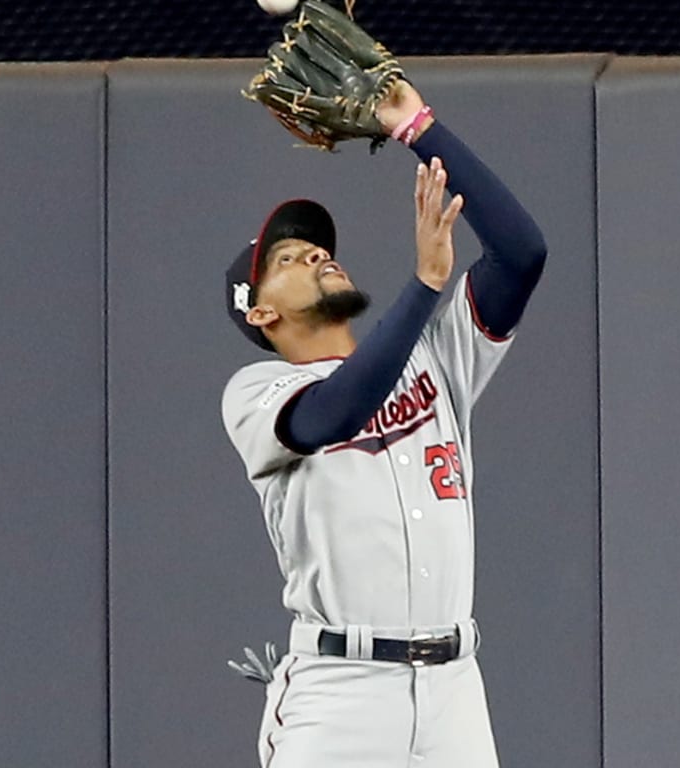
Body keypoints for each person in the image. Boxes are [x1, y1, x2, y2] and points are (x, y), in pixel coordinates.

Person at [220, 78, 546, 768]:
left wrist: (416, 127)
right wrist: (425, 286)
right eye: (287, 259)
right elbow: (335, 412)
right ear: (261, 313)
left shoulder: (434, 353)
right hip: (342, 692)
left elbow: (521, 255)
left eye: (315, 247)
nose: (315, 254)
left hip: (455, 686)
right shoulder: (256, 392)